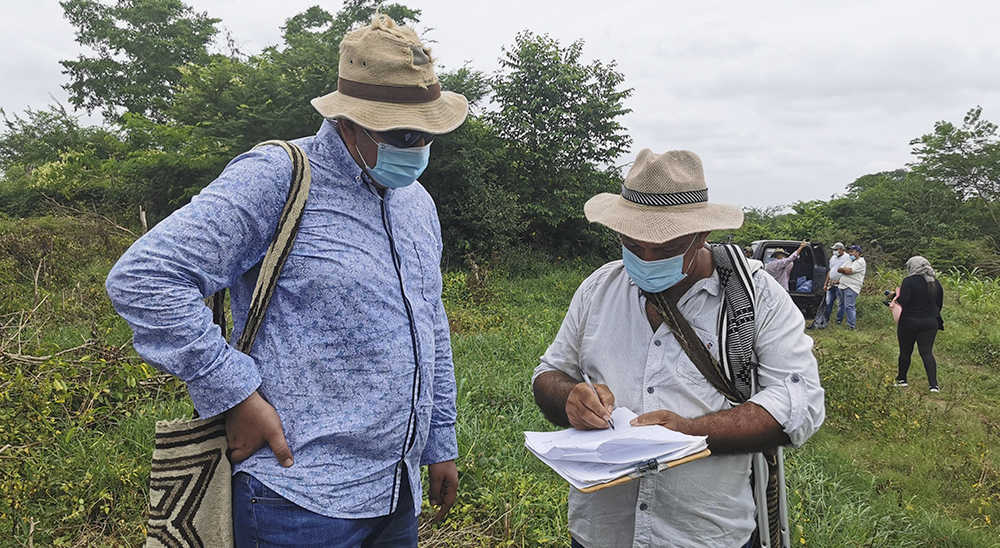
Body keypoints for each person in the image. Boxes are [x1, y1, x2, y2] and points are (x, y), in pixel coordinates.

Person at [106, 15, 467, 548]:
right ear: (351, 120)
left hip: (396, 493)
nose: (417, 148)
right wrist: (235, 393)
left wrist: (440, 439)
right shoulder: (279, 176)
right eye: (402, 134)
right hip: (296, 496)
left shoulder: (417, 203)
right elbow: (144, 277)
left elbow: (430, 321)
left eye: (426, 133)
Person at [531, 149, 825, 548]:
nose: (646, 259)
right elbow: (549, 373)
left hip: (704, 533)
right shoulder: (599, 289)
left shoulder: (757, 298)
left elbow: (800, 403)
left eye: (666, 249)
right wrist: (570, 398)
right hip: (602, 531)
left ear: (701, 236)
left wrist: (690, 434)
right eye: (633, 246)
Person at [894, 256, 944, 392]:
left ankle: (902, 379)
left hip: (909, 321)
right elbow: (938, 305)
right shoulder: (935, 283)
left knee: (905, 352)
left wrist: (894, 297)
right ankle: (933, 385)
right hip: (930, 322)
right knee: (927, 352)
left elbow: (903, 300)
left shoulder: (909, 281)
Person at [810, 242, 850, 329]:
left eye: (836, 250)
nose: (834, 251)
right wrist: (826, 284)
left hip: (840, 284)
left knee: (841, 304)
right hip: (831, 284)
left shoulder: (847, 258)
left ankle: (838, 321)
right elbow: (830, 271)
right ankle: (825, 320)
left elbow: (847, 272)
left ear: (842, 250)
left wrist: (838, 281)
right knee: (828, 303)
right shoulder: (833, 258)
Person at [836, 245, 867, 329]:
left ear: (858, 253)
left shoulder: (860, 262)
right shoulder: (849, 261)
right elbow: (839, 269)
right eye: (849, 252)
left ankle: (851, 325)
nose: (850, 253)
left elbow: (850, 271)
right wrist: (843, 270)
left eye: (852, 252)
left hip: (851, 287)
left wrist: (844, 270)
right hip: (842, 286)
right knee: (841, 305)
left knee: (849, 306)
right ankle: (839, 321)